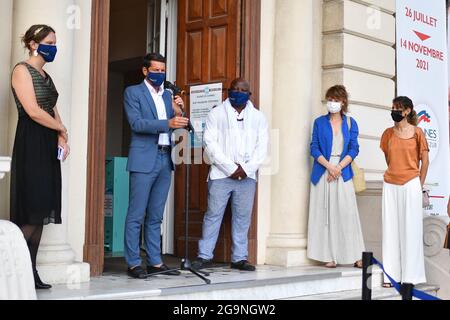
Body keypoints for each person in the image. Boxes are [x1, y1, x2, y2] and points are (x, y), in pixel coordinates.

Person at [10, 25, 70, 290]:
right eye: (49, 42)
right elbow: (33, 111)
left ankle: (31, 273)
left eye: (55, 42)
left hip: (47, 143)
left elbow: (53, 108)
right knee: (31, 210)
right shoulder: (21, 70)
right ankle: (13, 271)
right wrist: (60, 128)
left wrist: (62, 136)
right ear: (34, 44)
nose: (53, 47)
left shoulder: (46, 75)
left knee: (43, 208)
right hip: (31, 141)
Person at [123, 53, 189, 279]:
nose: (159, 74)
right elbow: (137, 123)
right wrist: (167, 122)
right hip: (143, 159)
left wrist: (180, 110)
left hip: (165, 159)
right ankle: (133, 263)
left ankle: (155, 262)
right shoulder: (133, 92)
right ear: (145, 70)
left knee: (156, 215)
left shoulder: (168, 95)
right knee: (136, 214)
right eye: (155, 70)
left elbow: (178, 124)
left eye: (162, 71)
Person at [192, 78, 268, 272]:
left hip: (247, 176)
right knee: (213, 215)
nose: (238, 92)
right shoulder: (216, 114)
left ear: (249, 94)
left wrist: (246, 168)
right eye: (234, 89)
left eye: (242, 90)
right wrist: (231, 168)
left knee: (242, 218)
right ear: (228, 91)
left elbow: (262, 147)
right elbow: (210, 144)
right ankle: (204, 255)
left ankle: (239, 258)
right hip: (221, 174)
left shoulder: (259, 117)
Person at [307, 85, 365, 269]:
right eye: (329, 99)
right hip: (323, 171)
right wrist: (330, 167)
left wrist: (338, 167)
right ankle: (328, 256)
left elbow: (354, 148)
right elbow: (313, 147)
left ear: (343, 102)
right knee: (323, 215)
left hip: (343, 171)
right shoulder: (319, 122)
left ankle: (356, 255)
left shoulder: (350, 123)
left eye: (335, 100)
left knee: (347, 214)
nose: (332, 103)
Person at [380, 96, 429, 288]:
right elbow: (388, 159)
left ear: (407, 111)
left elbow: (425, 162)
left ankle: (411, 276)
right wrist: (395, 174)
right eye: (392, 107)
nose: (394, 111)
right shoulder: (387, 134)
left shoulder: (418, 133)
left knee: (411, 230)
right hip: (390, 184)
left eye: (398, 108)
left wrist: (419, 184)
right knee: (390, 230)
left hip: (411, 184)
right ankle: (390, 276)